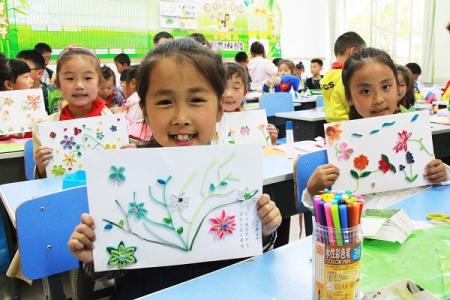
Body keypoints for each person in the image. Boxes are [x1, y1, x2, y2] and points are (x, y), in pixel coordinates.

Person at [68, 38, 282, 299]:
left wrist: (265, 229)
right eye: (165, 102)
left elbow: (249, 251)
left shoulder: (232, 170)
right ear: (145, 110)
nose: (181, 118)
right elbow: (113, 269)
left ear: (218, 109)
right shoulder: (128, 174)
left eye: (196, 100)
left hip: (225, 287)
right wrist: (95, 255)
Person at [303, 47, 448, 210]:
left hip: (418, 221)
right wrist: (313, 190)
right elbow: (329, 214)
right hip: (366, 228)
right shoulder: (342, 146)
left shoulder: (414, 132)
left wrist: (442, 173)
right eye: (365, 91)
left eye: (386, 87)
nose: (378, 99)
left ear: (399, 89)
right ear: (349, 97)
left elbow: (437, 189)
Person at [33, 47, 112, 179]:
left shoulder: (112, 123)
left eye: (88, 78)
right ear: (58, 84)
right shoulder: (44, 128)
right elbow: (43, 182)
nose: (79, 85)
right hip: (64, 196)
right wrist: (41, 167)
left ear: (99, 84)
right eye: (70, 78)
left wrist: (128, 157)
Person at [221, 62, 278, 144]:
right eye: (223, 87)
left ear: (245, 92)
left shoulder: (252, 121)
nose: (229, 94)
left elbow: (262, 151)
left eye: (236, 88)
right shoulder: (206, 120)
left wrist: (270, 141)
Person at [321, 31, 366, 122]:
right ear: (353, 51)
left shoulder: (327, 76)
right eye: (362, 54)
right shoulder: (348, 76)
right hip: (349, 125)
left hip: (331, 127)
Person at [16, 49, 52, 114]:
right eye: (16, 70)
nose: (18, 74)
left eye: (25, 70)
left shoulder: (50, 94)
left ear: (40, 73)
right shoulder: (12, 95)